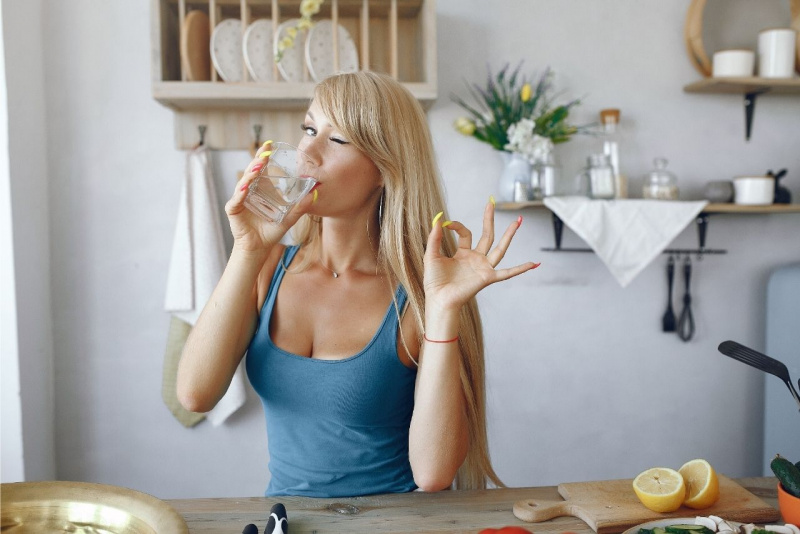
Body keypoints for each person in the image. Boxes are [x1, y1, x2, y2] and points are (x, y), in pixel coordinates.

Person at [176, 71, 539, 498]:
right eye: (309, 128)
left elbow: (433, 475)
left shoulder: (426, 293)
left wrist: (443, 312)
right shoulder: (267, 265)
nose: (306, 151)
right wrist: (246, 249)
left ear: (385, 169)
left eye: (337, 139)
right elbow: (195, 395)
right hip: (287, 523)